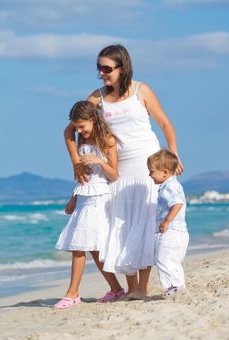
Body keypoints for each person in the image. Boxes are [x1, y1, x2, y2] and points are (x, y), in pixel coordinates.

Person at [64, 44, 183, 298]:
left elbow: (165, 123)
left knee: (144, 223)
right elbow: (71, 129)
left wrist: (172, 156)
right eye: (99, 68)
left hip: (146, 165)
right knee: (121, 226)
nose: (101, 73)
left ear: (122, 67)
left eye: (107, 68)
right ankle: (130, 288)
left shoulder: (141, 90)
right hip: (116, 170)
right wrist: (76, 162)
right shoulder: (96, 97)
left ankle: (142, 287)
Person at [54, 100, 125, 309]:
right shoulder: (80, 139)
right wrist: (74, 197)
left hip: (99, 198)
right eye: (76, 128)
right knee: (93, 249)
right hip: (84, 196)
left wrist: (100, 162)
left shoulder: (107, 140)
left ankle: (72, 294)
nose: (80, 131)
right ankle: (116, 290)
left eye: (83, 127)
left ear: (93, 120)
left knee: (79, 247)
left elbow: (114, 175)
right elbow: (83, 177)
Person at [147, 149, 189, 297]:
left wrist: (166, 222)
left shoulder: (169, 187)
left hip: (171, 231)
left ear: (164, 172)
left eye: (151, 172)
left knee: (163, 259)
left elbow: (177, 204)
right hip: (179, 231)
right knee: (173, 260)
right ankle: (179, 286)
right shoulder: (172, 185)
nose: (149, 175)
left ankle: (174, 286)